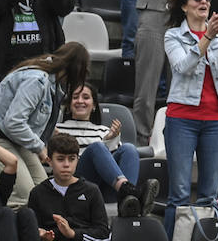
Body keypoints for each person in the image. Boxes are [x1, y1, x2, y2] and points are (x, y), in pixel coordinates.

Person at [162, 0, 218, 236]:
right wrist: (208, 38)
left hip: (217, 120)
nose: (204, 2)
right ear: (185, 5)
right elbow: (182, 67)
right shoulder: (173, 35)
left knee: (209, 195)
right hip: (182, 118)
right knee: (179, 194)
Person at [0, 42, 90, 208]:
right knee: (24, 194)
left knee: (42, 189)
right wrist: (40, 148)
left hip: (16, 139)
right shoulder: (37, 81)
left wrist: (52, 133)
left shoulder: (53, 83)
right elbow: (13, 123)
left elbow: (31, 119)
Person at [26, 131, 118, 241]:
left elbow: (103, 234)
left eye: (71, 159)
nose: (66, 165)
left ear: (78, 160)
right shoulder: (38, 193)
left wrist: (73, 234)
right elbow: (31, 232)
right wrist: (42, 235)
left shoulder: (91, 190)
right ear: (49, 160)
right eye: (60, 159)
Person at [55, 83, 154, 217]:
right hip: (76, 184)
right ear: (68, 105)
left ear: (94, 105)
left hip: (105, 188)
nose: (80, 101)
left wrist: (110, 140)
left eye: (85, 97)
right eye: (75, 97)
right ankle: (132, 194)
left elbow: (114, 167)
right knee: (97, 147)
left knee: (129, 148)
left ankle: (129, 201)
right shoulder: (58, 129)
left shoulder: (104, 131)